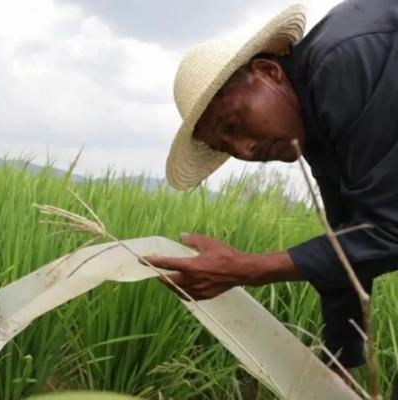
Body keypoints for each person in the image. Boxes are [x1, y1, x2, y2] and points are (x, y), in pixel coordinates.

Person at [143, 0, 398, 386]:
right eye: (227, 148)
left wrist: (248, 268)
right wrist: (338, 360)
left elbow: (389, 229)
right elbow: (345, 239)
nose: (244, 150)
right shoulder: (317, 125)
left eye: (233, 122)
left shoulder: (345, 62)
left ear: (267, 72)